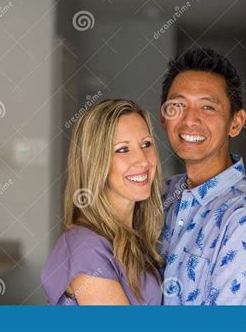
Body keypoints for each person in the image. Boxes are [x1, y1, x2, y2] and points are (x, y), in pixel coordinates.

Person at [159, 47, 246, 305]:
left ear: (235, 123)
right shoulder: (159, 194)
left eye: (208, 107)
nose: (190, 119)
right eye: (177, 105)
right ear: (163, 117)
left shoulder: (245, 218)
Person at [41, 99, 165, 305]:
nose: (143, 160)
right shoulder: (85, 246)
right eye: (122, 150)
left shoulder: (134, 239)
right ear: (96, 162)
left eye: (146, 144)